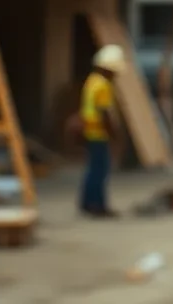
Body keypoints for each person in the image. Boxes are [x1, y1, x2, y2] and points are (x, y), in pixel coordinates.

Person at [78, 44, 125, 218]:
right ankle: (98, 205)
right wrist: (114, 134)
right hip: (99, 133)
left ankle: (86, 202)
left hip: (89, 131)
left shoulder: (91, 81)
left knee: (92, 169)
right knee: (100, 170)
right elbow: (104, 112)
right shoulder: (104, 85)